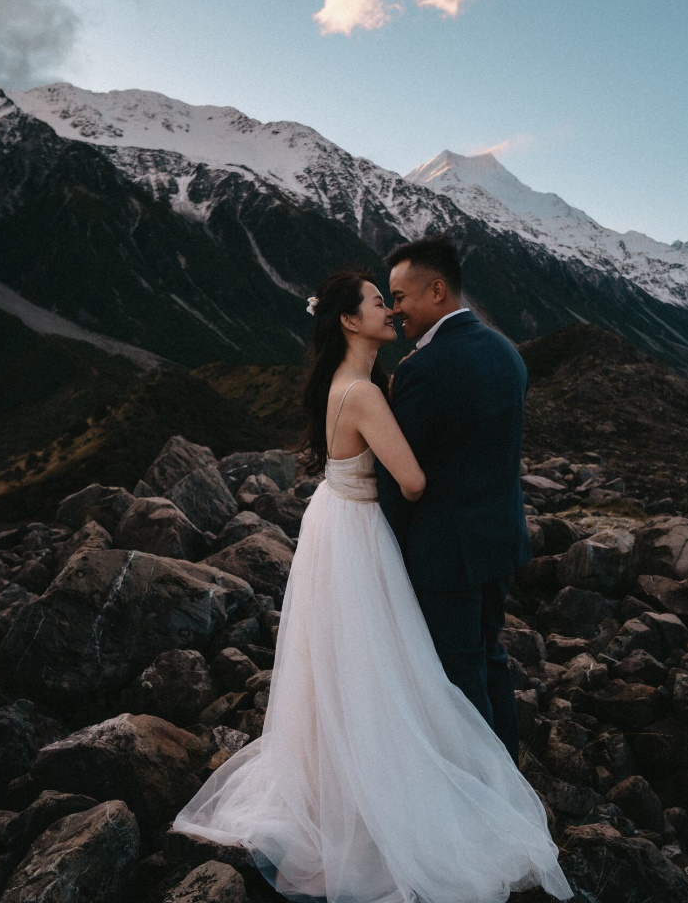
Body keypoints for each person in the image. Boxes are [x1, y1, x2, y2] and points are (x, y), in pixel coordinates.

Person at [172, 270, 570, 903]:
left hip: (333, 520)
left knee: (344, 660)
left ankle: (338, 787)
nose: (391, 310)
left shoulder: (348, 384)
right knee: (382, 662)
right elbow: (410, 480)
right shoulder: (365, 393)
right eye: (378, 303)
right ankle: (386, 795)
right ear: (349, 322)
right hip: (358, 530)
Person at [377, 234, 529, 760]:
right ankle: (510, 779)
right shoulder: (506, 352)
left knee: (457, 676)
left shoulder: (427, 366)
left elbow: (402, 477)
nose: (395, 312)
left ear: (437, 290)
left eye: (400, 297)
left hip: (446, 555)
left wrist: (380, 549)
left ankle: (482, 798)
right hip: (499, 542)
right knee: (490, 659)